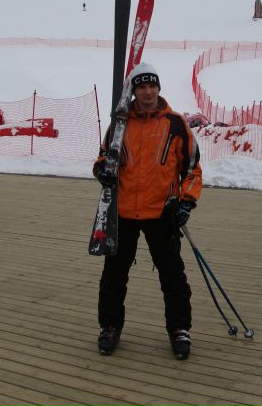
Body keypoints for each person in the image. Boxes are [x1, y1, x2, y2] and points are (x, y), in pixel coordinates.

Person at [93, 62, 203, 360]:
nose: (148, 92)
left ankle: (179, 329)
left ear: (159, 88)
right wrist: (102, 171)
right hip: (123, 213)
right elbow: (103, 159)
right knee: (114, 276)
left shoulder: (176, 124)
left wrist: (186, 202)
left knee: (173, 276)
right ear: (134, 91)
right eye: (142, 86)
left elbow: (192, 168)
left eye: (152, 85)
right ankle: (110, 326)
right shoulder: (119, 124)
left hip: (162, 213)